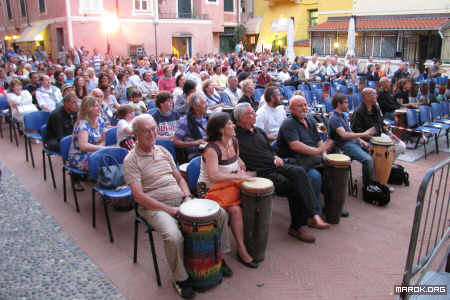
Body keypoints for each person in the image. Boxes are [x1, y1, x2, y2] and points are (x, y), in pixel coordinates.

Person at [123, 114, 232, 299]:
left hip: (181, 200)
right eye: (146, 130)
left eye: (153, 129)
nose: (152, 133)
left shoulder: (163, 152)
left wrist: (187, 197)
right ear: (136, 135)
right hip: (154, 206)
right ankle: (180, 279)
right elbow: (139, 196)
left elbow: (179, 178)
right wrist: (170, 210)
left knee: (220, 214)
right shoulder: (131, 160)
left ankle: (217, 258)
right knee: (173, 236)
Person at [235, 103, 329, 243]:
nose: (255, 114)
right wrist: (239, 161)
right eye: (251, 113)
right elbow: (230, 155)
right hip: (260, 172)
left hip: (274, 165)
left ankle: (313, 214)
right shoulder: (235, 137)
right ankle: (299, 225)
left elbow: (269, 150)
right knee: (295, 187)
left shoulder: (258, 131)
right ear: (242, 118)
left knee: (299, 172)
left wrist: (274, 156)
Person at [198, 112, 259, 267]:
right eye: (230, 124)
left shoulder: (234, 141)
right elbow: (213, 176)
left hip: (228, 185)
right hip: (210, 189)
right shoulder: (211, 149)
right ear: (220, 129)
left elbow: (236, 159)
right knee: (229, 212)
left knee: (247, 204)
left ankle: (241, 247)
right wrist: (238, 176)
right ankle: (222, 254)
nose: (233, 125)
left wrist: (241, 164)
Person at [276, 96, 334, 207]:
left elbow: (318, 139)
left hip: (312, 159)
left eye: (305, 105)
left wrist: (324, 154)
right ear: (291, 108)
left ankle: (331, 207)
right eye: (300, 105)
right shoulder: (288, 123)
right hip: (297, 162)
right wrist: (318, 151)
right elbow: (295, 146)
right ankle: (315, 212)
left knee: (333, 173)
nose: (304, 108)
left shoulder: (311, 119)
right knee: (315, 176)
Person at [328, 93, 376, 186]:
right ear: (339, 104)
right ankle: (369, 187)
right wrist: (364, 134)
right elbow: (344, 135)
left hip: (351, 143)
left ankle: (373, 179)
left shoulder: (343, 116)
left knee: (373, 151)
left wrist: (361, 141)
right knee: (368, 160)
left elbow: (350, 131)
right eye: (345, 102)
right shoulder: (334, 118)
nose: (348, 104)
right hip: (343, 146)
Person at [351, 88, 406, 165]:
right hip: (368, 139)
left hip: (380, 135)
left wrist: (391, 134)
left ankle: (386, 166)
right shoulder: (358, 112)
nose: (376, 96)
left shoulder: (376, 108)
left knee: (401, 145)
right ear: (366, 97)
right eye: (374, 94)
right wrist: (370, 137)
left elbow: (381, 123)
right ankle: (382, 168)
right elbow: (355, 131)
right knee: (386, 147)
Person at [68, 96, 106, 171]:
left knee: (112, 159)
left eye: (99, 105)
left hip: (95, 151)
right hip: (79, 155)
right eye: (95, 106)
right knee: (101, 166)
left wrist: (100, 149)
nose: (99, 108)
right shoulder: (83, 125)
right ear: (87, 109)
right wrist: (102, 149)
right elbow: (84, 146)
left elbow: (103, 140)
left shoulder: (100, 120)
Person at [173, 93, 208, 162]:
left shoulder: (207, 118)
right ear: (195, 106)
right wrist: (194, 143)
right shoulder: (185, 121)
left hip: (208, 150)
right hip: (195, 155)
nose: (207, 105)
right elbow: (175, 142)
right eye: (204, 103)